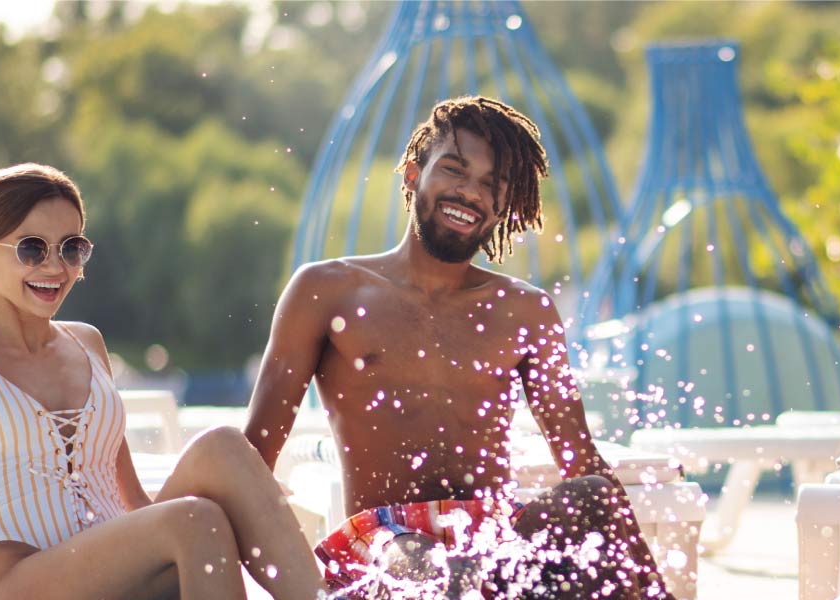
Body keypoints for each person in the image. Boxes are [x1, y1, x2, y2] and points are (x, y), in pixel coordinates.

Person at [244, 96, 671, 598]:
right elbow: (250, 466)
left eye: (492, 185)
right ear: (412, 173)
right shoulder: (327, 291)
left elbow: (581, 459)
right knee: (442, 570)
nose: (470, 193)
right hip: (384, 541)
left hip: (493, 536)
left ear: (504, 205)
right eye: (454, 170)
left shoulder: (524, 311)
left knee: (594, 497)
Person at [0, 164, 319, 599]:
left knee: (222, 446)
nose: (54, 267)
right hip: (25, 579)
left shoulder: (87, 343)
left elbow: (132, 499)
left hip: (116, 567)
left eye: (71, 248)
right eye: (31, 248)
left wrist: (245, 505)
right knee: (196, 519)